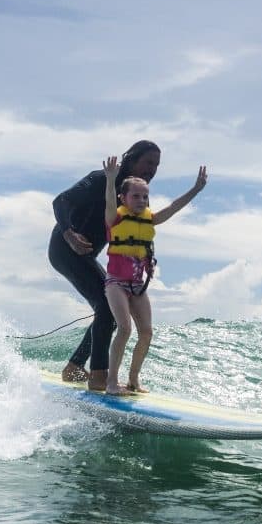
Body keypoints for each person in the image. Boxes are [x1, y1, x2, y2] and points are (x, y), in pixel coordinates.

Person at [49, 141, 163, 391]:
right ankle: (99, 377)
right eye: (148, 162)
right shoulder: (101, 180)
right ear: (132, 159)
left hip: (87, 256)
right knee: (105, 305)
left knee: (109, 312)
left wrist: (147, 258)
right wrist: (69, 234)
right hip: (64, 248)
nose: (152, 169)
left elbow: (140, 231)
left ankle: (75, 367)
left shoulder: (133, 194)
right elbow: (61, 201)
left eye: (156, 165)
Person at [101, 155, 207, 395]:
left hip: (138, 286)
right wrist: (110, 180)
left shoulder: (151, 219)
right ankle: (111, 383)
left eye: (145, 196)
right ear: (123, 198)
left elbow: (173, 207)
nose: (141, 200)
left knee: (146, 332)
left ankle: (133, 380)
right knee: (125, 328)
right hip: (116, 283)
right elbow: (108, 201)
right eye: (135, 196)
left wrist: (195, 190)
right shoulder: (114, 218)